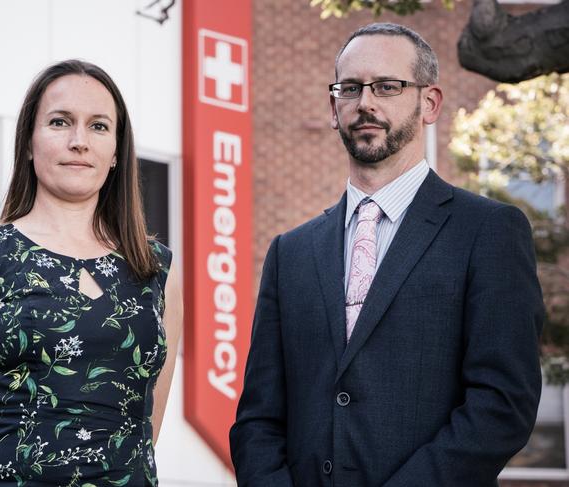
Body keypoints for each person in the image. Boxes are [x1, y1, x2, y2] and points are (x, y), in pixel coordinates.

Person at [230, 22, 544, 487]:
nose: (366, 103)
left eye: (387, 87)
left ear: (429, 103)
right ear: (334, 108)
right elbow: (259, 416)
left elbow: (502, 404)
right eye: (351, 88)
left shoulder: (488, 231)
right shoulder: (290, 253)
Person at [0, 59, 182, 487]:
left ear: (116, 151)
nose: (79, 141)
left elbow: (145, 429)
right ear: (28, 141)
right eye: (60, 122)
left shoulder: (157, 270)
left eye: (98, 126)